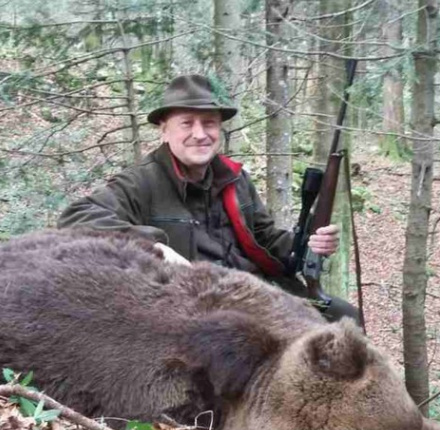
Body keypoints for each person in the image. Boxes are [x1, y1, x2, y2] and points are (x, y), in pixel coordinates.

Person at [58, 74, 359, 324]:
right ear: (164, 130)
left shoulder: (235, 178)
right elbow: (77, 218)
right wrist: (153, 246)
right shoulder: (142, 181)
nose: (200, 134)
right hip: (201, 306)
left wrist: (308, 245)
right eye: (187, 123)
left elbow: (265, 239)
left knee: (347, 318)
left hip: (258, 291)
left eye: (209, 123)